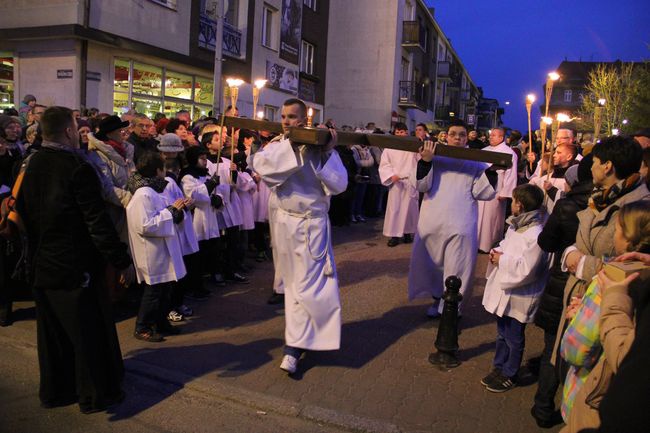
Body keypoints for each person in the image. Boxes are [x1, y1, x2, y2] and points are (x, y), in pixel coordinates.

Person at [16, 106, 133, 413]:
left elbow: (23, 213)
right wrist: (119, 258)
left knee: (53, 334)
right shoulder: (77, 168)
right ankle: (94, 395)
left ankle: (56, 391)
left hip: (42, 262)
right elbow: (96, 221)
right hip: (76, 265)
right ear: (68, 131)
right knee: (88, 334)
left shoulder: (29, 163)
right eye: (75, 126)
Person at [250, 98, 347, 375]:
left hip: (311, 226)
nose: (285, 121)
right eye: (283, 116)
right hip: (285, 224)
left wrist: (327, 152)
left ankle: (293, 347)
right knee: (293, 287)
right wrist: (292, 148)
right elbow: (262, 167)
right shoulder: (279, 145)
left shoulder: (320, 147)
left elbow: (339, 184)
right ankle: (299, 340)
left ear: (304, 119)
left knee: (307, 288)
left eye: (292, 117)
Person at [551, 135, 649, 391]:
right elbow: (580, 240)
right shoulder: (599, 197)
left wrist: (582, 263)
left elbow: (634, 267)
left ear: (607, 166)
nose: (590, 167)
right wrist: (571, 252)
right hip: (579, 300)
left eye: (594, 161)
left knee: (592, 385)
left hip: (606, 308)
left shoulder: (638, 210)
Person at [558, 201, 649, 433]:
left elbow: (576, 349)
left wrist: (576, 319)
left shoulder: (609, 280)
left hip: (593, 396)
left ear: (628, 238)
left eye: (617, 229)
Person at [407, 118, 497, 318]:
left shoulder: (475, 161)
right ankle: (437, 298)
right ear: (446, 136)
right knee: (433, 265)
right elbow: (421, 186)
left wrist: (491, 172)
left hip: (461, 221)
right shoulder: (435, 155)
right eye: (453, 134)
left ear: (467, 138)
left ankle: (452, 307)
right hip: (433, 220)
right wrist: (426, 161)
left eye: (462, 135)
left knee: (458, 266)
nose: (457, 138)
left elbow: (483, 193)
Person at [531, 155, 594, 428]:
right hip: (586, 288)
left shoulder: (570, 206)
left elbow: (546, 241)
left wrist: (567, 249)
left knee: (553, 349)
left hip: (565, 282)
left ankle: (544, 406)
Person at [481, 183, 549, 393]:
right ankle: (499, 366)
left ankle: (510, 372)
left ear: (520, 205)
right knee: (502, 333)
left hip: (520, 294)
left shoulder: (536, 234)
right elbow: (506, 246)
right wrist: (496, 252)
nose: (512, 203)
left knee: (514, 337)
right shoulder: (515, 227)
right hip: (505, 292)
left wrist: (503, 260)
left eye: (514, 200)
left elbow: (529, 269)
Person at [126, 152, 187, 342]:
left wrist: (176, 212)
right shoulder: (143, 194)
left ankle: (161, 323)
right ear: (158, 171)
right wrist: (171, 212)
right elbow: (145, 225)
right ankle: (142, 326)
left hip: (162, 250)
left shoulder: (154, 191)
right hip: (152, 252)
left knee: (164, 291)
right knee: (153, 293)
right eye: (163, 168)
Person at [476, 127, 518, 252]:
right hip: (482, 186)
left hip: (497, 188)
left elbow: (511, 174)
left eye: (494, 135)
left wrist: (505, 192)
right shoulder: (485, 150)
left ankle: (489, 244)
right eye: (491, 135)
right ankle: (476, 242)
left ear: (501, 137)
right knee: (478, 216)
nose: (491, 137)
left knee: (492, 217)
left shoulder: (509, 152)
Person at [379, 123, 419, 247]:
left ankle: (407, 233)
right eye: (398, 132)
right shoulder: (389, 148)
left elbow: (419, 161)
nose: (401, 134)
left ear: (407, 133)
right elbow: (385, 164)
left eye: (403, 132)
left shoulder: (413, 146)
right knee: (395, 209)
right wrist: (391, 175)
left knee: (409, 209)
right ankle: (394, 235)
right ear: (395, 133)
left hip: (409, 181)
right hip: (396, 182)